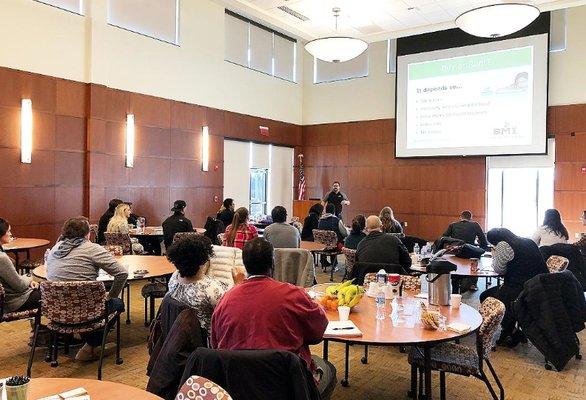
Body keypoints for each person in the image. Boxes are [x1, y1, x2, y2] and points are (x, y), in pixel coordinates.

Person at [211, 238, 336, 399]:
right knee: (328, 369)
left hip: (237, 386)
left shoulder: (225, 300)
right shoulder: (294, 294)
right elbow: (318, 332)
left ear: (245, 264)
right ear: (273, 263)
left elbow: (216, 344)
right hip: (288, 385)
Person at [46, 217, 128, 361]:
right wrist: (111, 296)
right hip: (87, 311)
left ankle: (79, 333)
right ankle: (91, 345)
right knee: (118, 303)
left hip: (58, 311)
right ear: (87, 234)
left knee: (89, 302)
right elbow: (122, 273)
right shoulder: (92, 248)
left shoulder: (55, 249)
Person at [479, 228, 548, 347]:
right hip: (539, 287)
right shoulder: (528, 241)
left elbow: (499, 269)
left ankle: (511, 331)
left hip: (519, 288)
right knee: (498, 293)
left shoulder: (503, 245)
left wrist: (495, 255)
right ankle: (511, 330)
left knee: (486, 297)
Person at [166, 235, 244, 335]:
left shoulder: (174, 279)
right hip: (209, 339)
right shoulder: (211, 289)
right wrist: (239, 284)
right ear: (203, 260)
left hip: (183, 335)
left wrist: (201, 271)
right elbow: (233, 311)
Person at [0, 218, 40, 313]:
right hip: (14, 301)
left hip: (9, 298)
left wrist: (27, 281)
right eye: (8, 231)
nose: (10, 234)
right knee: (51, 294)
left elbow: (14, 280)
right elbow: (20, 286)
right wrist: (30, 277)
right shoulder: (2, 258)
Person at [443, 210, 490, 292]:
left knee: (456, 264)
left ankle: (455, 286)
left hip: (456, 252)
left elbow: (443, 237)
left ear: (460, 217)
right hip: (470, 253)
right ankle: (473, 283)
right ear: (471, 218)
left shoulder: (453, 225)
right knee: (477, 257)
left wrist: (452, 244)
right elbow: (483, 240)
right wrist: (482, 248)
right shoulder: (475, 225)